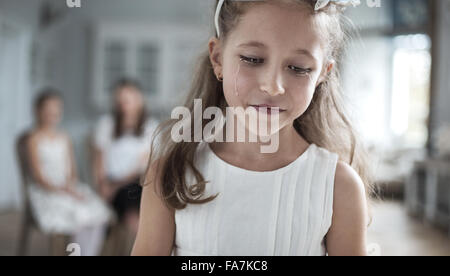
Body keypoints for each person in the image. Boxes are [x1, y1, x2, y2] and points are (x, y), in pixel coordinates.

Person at [132, 0, 372, 256]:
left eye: (298, 68)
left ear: (323, 73)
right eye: (253, 59)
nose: (273, 86)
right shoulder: (171, 174)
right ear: (218, 58)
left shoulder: (340, 187)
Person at [27, 89, 112, 256]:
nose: (53, 113)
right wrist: (63, 191)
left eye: (57, 108)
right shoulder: (33, 139)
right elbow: (38, 177)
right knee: (79, 216)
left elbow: (72, 171)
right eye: (48, 108)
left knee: (98, 213)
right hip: (47, 192)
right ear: (39, 111)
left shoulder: (64, 137)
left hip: (68, 187)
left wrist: (71, 188)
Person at [92, 78, 158, 236]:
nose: (125, 104)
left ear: (140, 100)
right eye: (121, 100)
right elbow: (99, 162)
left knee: (147, 195)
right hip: (114, 186)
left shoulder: (151, 127)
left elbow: (145, 164)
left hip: (140, 181)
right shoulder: (106, 125)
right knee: (132, 200)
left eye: (129, 99)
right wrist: (104, 188)